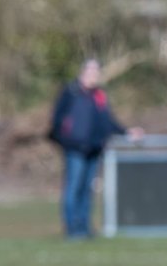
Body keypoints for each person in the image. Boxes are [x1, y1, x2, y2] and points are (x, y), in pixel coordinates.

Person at [48, 58, 143, 238]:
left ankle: (84, 227)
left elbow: (107, 122)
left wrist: (126, 132)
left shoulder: (99, 95)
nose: (94, 75)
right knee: (73, 189)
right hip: (74, 149)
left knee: (87, 191)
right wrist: (65, 141)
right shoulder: (70, 92)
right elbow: (57, 121)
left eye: (96, 72)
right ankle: (72, 228)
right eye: (90, 71)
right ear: (83, 72)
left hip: (94, 149)